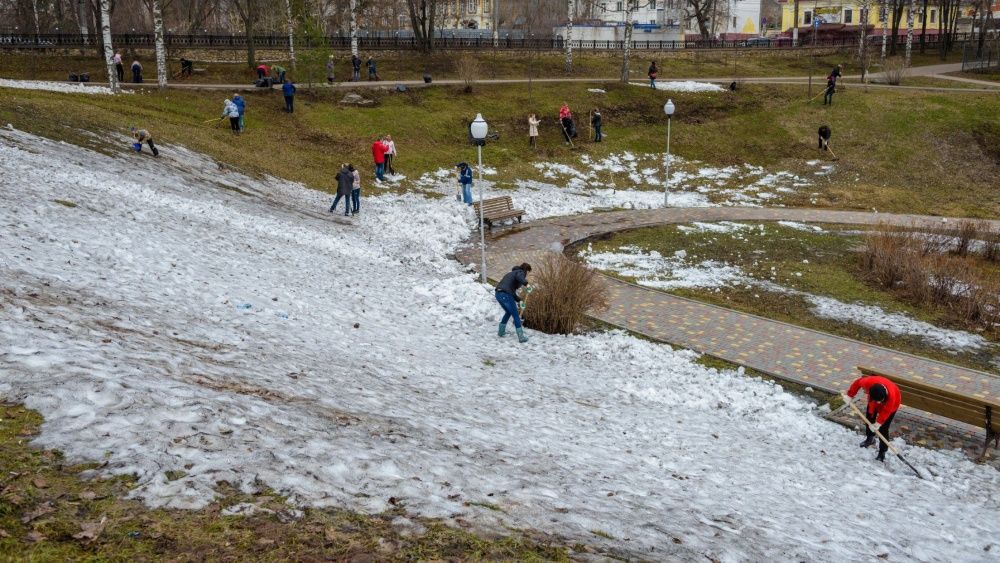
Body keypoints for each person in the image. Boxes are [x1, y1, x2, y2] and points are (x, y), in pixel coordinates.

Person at [842, 375, 902, 462]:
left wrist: (878, 423)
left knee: (883, 428)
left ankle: (882, 451)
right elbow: (857, 382)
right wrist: (850, 395)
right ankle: (870, 439)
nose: (878, 403)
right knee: (870, 418)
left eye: (879, 401)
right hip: (874, 398)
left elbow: (886, 412)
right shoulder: (868, 382)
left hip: (892, 404)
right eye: (877, 401)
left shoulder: (892, 397)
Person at [495, 263, 532, 343]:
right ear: (526, 270)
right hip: (505, 294)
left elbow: (512, 292)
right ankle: (521, 337)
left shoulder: (512, 273)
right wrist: (527, 284)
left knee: (508, 312)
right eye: (528, 273)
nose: (527, 275)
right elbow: (520, 277)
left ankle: (501, 332)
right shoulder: (520, 272)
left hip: (498, 294)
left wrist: (520, 300)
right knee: (515, 315)